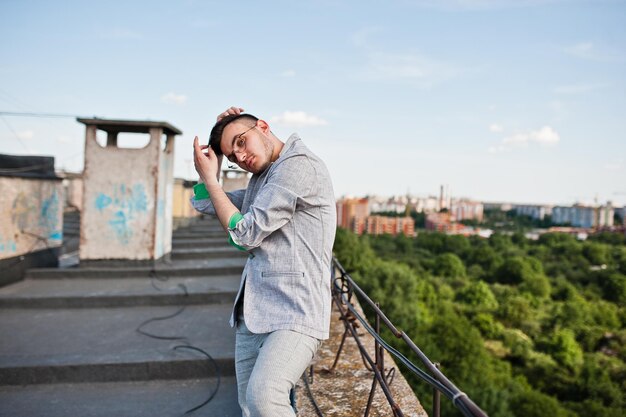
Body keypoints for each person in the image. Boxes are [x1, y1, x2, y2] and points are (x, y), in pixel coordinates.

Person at [191, 106, 336, 417]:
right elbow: (208, 202)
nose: (240, 157)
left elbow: (245, 234)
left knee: (264, 396)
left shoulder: (297, 167)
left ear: (264, 126)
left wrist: (215, 182)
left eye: (242, 142)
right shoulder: (265, 176)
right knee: (250, 407)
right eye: (233, 156)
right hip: (256, 311)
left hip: (295, 310)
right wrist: (211, 171)